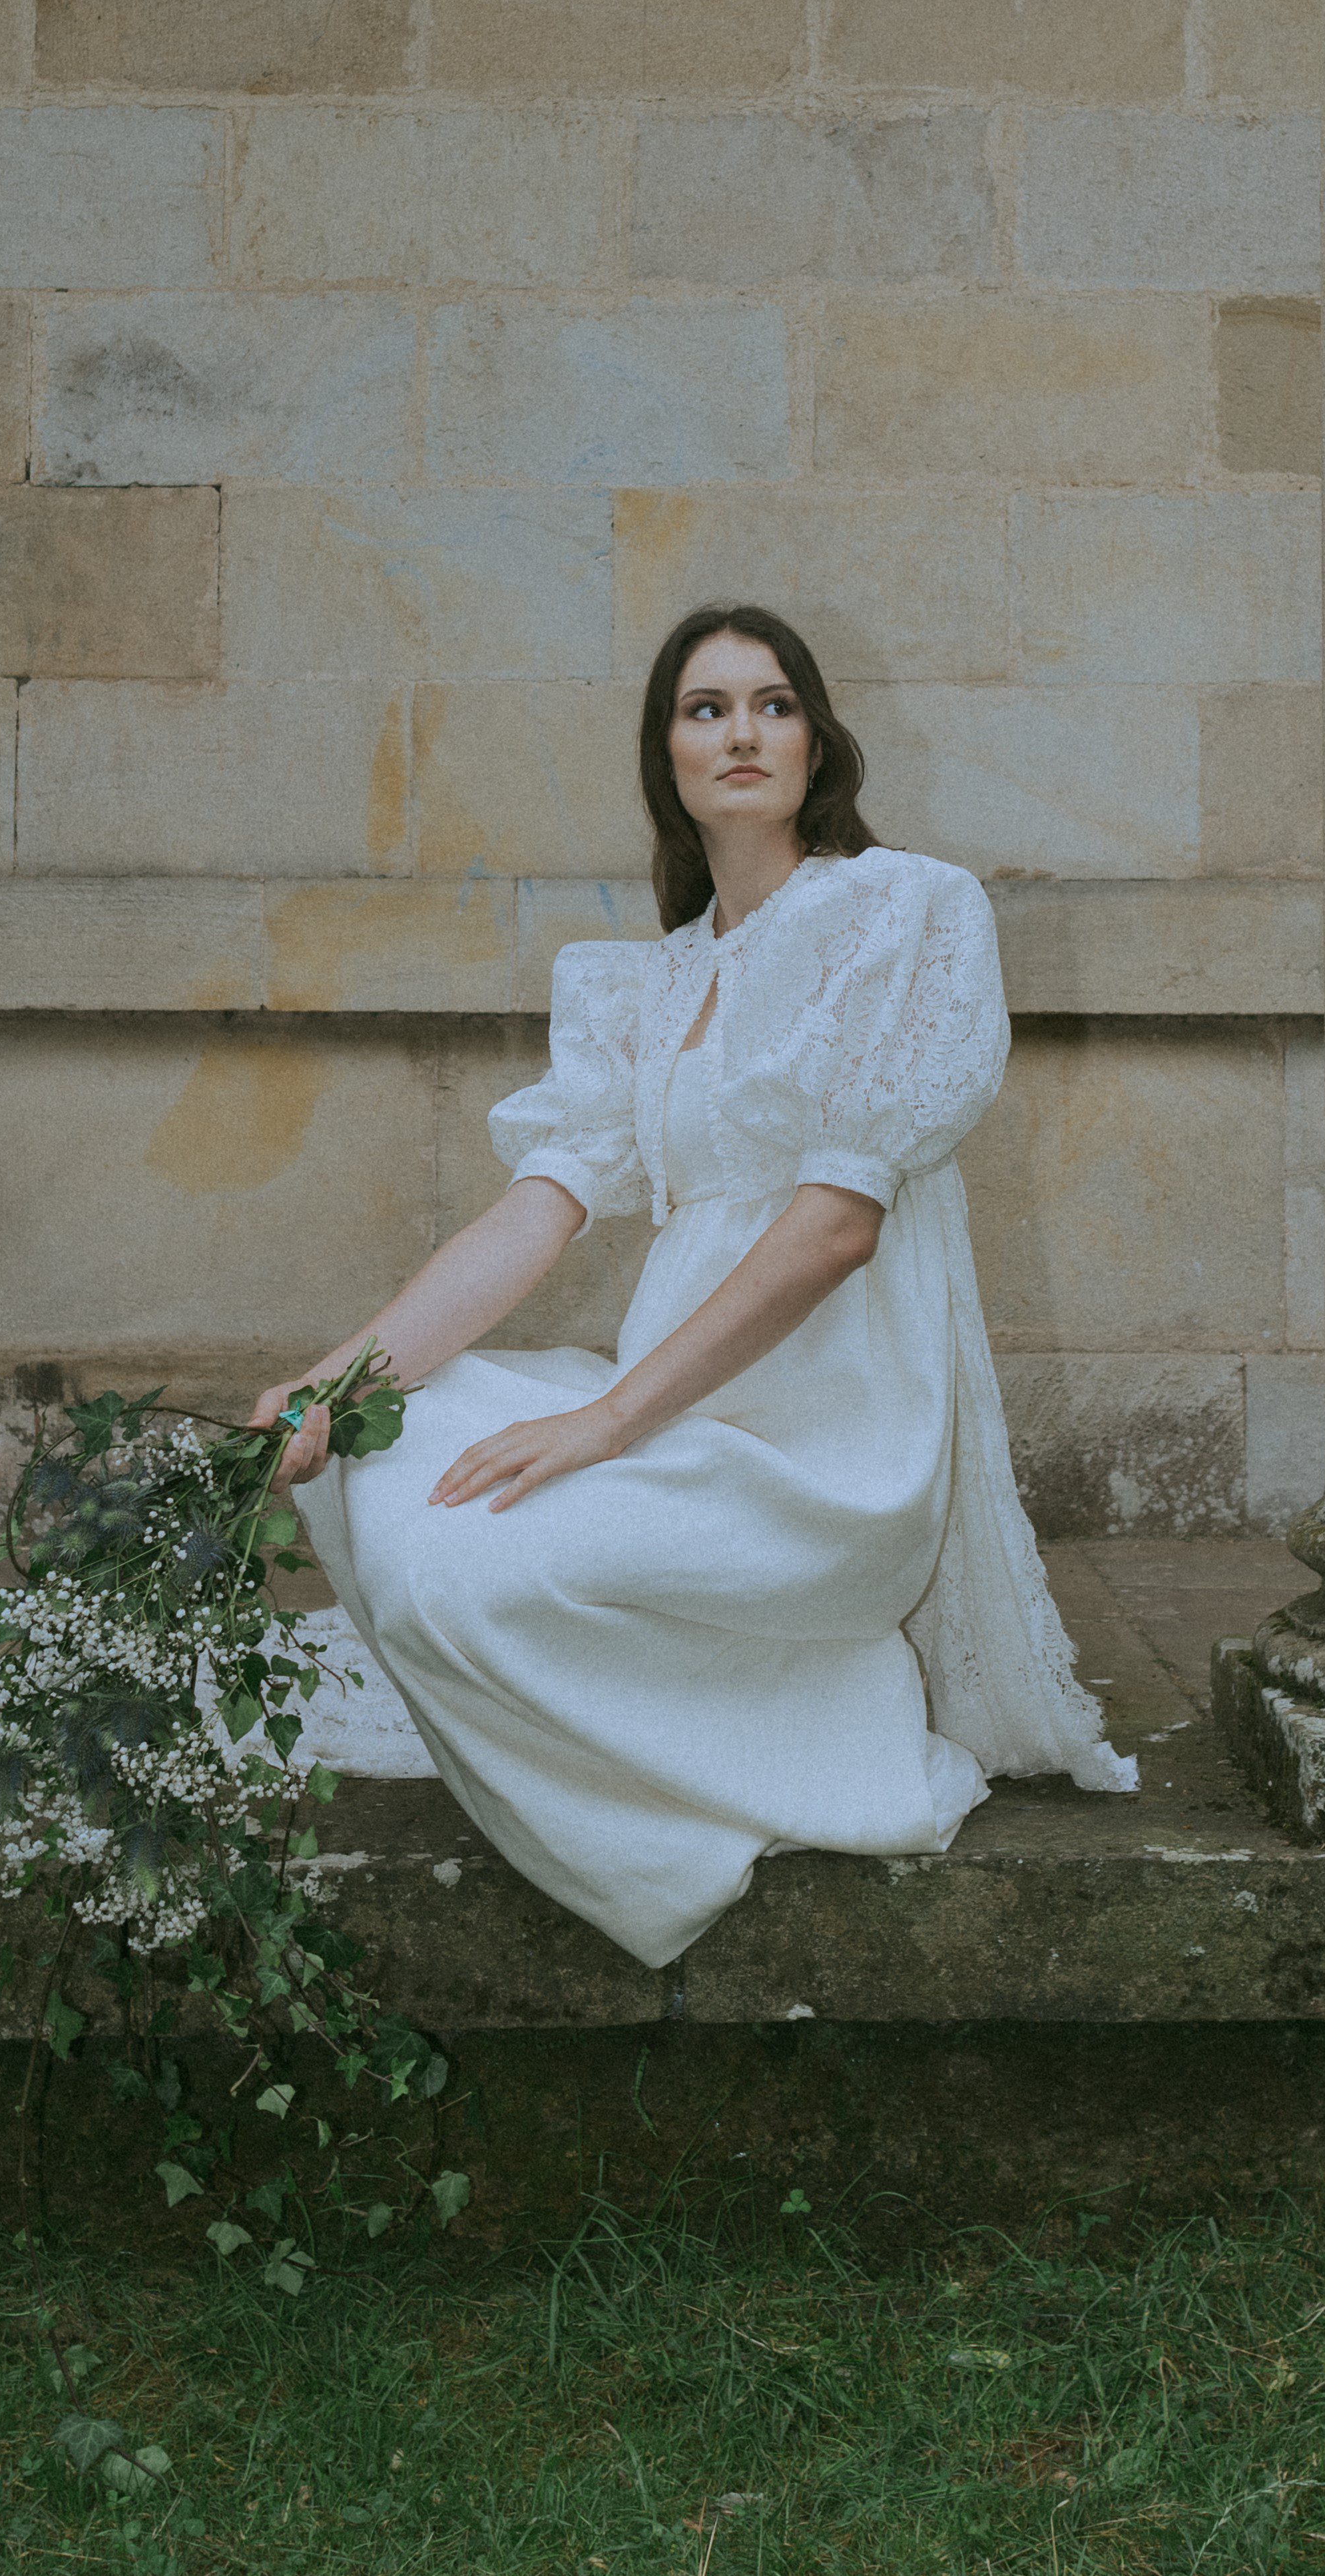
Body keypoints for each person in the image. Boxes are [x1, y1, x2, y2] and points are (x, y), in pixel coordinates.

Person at [256, 602, 1135, 1969]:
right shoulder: (648, 986)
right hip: (673, 1407)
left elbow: (837, 1230)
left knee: (464, 1580)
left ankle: (739, 1798)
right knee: (381, 1459)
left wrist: (607, 1426)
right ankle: (754, 1702)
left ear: (816, 739)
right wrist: (335, 1377)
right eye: (707, 707)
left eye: (774, 704)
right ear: (666, 752)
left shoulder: (905, 911)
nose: (743, 732)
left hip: (825, 1453)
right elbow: (533, 1216)